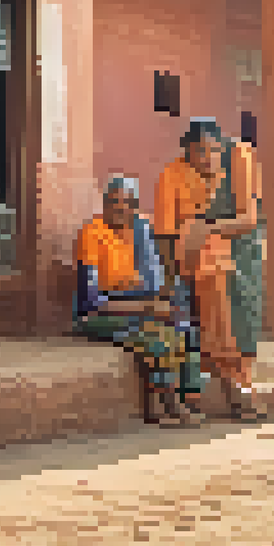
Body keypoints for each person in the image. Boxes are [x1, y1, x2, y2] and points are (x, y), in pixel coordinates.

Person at [155, 119, 263, 420]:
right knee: (203, 332)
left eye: (213, 151)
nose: (206, 158)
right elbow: (165, 233)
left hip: (239, 259)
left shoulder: (239, 159)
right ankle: (214, 397)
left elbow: (249, 219)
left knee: (241, 328)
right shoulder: (172, 174)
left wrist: (208, 229)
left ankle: (241, 392)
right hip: (195, 265)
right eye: (198, 152)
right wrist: (168, 276)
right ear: (186, 152)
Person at [75, 175, 202, 426]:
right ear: (104, 205)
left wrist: (162, 303)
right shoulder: (93, 233)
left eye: (129, 203)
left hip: (139, 307)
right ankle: (171, 404)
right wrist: (147, 308)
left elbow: (154, 283)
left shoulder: (141, 231)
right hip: (102, 314)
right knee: (158, 338)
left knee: (186, 330)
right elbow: (92, 302)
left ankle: (187, 398)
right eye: (115, 202)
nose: (122, 208)